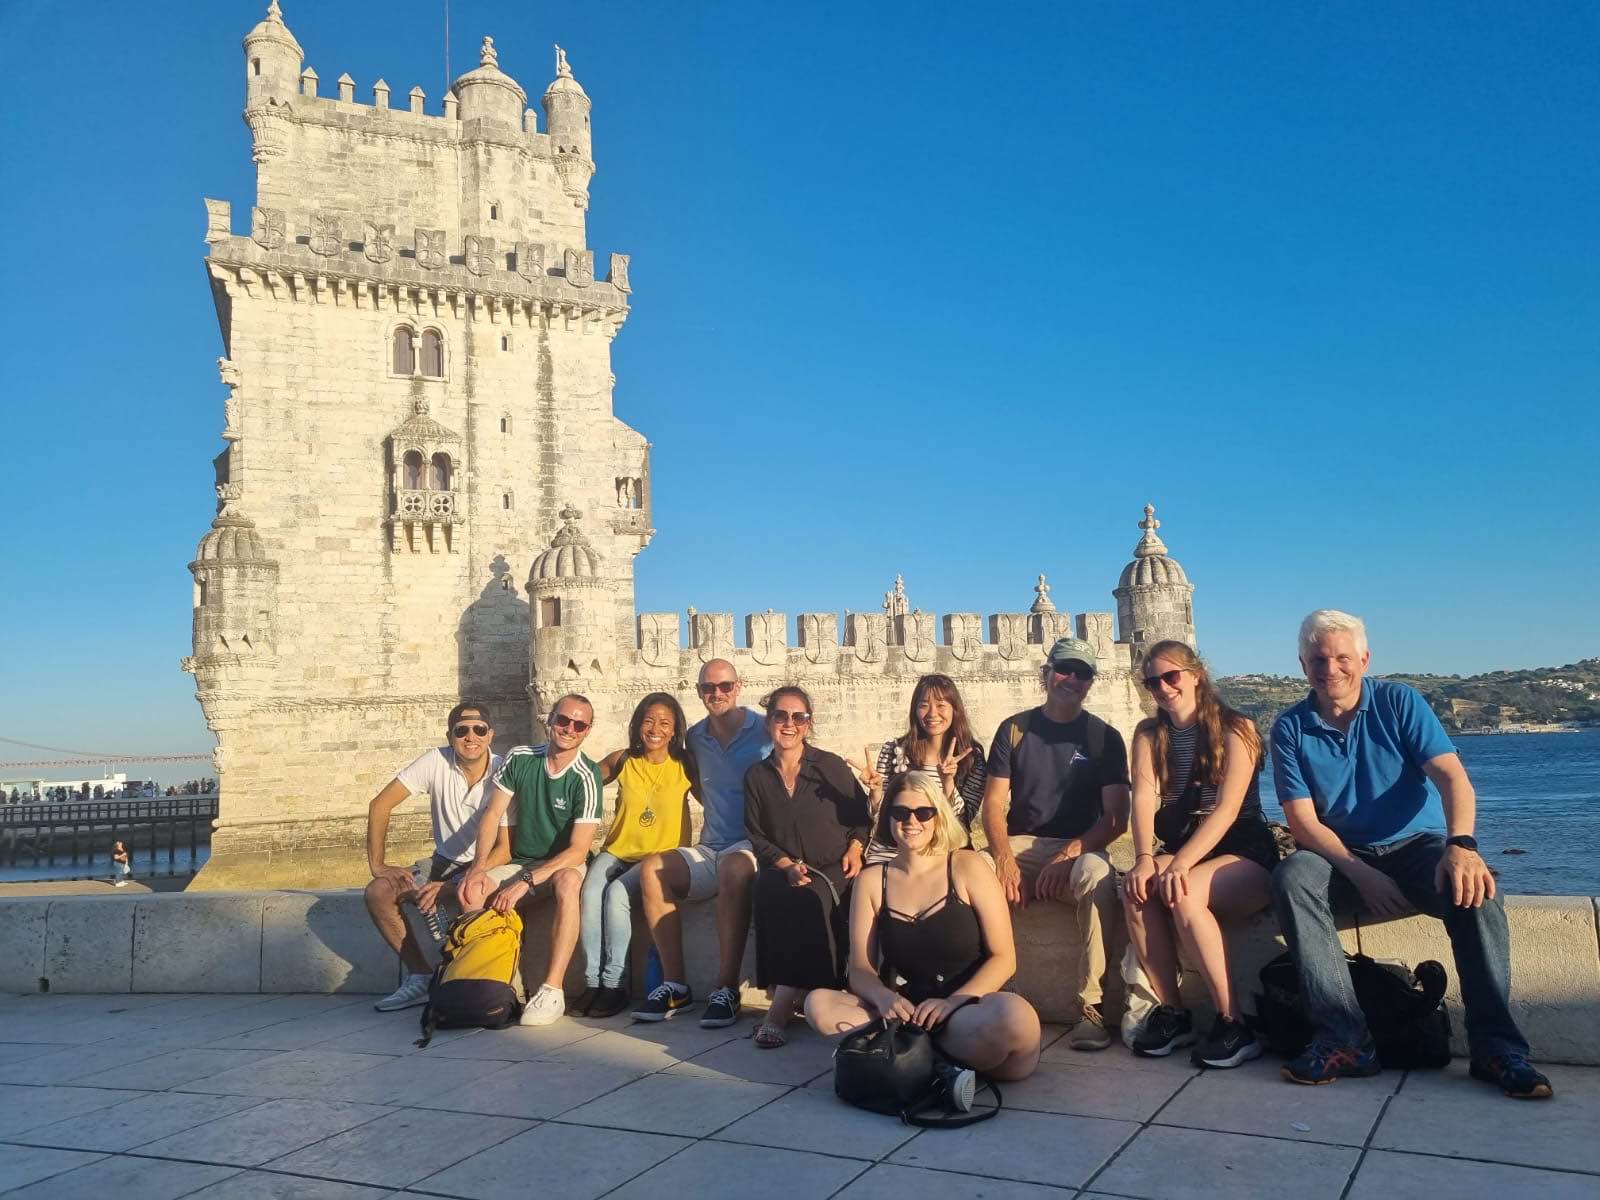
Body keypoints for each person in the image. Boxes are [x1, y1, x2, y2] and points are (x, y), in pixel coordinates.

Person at [1271, 610, 1552, 1098]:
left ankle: (1496, 1048)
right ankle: (1344, 1039)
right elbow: (1302, 823)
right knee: (1293, 876)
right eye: (1318, 660)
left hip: (1416, 847)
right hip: (1343, 855)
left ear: (1364, 659)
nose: (1331, 669)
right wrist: (1361, 873)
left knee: (1479, 895)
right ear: (1302, 665)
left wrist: (1461, 845)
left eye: (1342, 657)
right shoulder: (1291, 727)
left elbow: (1451, 777)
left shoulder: (1399, 701)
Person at [805, 773, 1042, 1082]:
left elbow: (1004, 958)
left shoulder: (967, 866)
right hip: (912, 1013)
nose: (911, 821)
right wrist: (884, 998)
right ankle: (935, 1066)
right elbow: (861, 969)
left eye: (923, 812)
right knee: (818, 1004)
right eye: (900, 812)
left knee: (1015, 1019)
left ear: (938, 816)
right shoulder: (873, 880)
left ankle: (908, 1060)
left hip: (973, 1007)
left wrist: (954, 1002)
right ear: (888, 817)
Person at [1122, 641, 1279, 1067]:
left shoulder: (1237, 728)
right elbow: (1143, 799)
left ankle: (1234, 1023)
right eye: (1152, 682)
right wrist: (1143, 857)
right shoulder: (1148, 735)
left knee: (1185, 892)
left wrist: (1180, 864)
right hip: (1183, 847)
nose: (1163, 688)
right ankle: (1173, 1012)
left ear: (1196, 675)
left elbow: (1227, 810)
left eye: (1171, 676)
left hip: (1243, 849)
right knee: (1135, 891)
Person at [980, 635, 1130, 1051]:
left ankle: (1091, 1006)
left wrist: (1070, 852)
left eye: (1082, 673)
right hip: (1021, 846)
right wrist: (1003, 858)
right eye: (1064, 670)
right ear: (1046, 673)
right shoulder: (1015, 729)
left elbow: (1116, 818)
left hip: (1078, 847)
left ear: (1091, 682)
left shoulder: (1104, 738)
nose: (1072, 679)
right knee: (971, 870)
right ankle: (977, 991)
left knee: (1097, 875)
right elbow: (993, 805)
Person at [633, 658, 769, 1027]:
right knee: (653, 869)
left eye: (725, 686)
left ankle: (726, 989)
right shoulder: (695, 737)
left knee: (734, 868)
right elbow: (693, 782)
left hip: (752, 846)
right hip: (711, 846)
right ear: (698, 692)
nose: (717, 693)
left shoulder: (765, 729)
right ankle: (675, 985)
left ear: (738, 687)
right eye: (708, 687)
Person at [458, 694, 603, 1028]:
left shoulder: (586, 775)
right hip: (523, 860)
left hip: (562, 863)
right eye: (563, 720)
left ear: (587, 731)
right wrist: (478, 867)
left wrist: (525, 882)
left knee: (568, 881)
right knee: (471, 890)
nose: (569, 729)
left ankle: (552, 989)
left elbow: (578, 850)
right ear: (549, 720)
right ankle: (493, 985)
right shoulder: (520, 757)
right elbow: (492, 813)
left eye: (579, 725)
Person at [744, 685, 871, 1048]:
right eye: (781, 716)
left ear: (808, 724)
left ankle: (779, 1008)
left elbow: (860, 818)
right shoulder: (757, 776)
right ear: (769, 722)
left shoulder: (829, 766)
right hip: (784, 866)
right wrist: (785, 865)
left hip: (833, 867)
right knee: (767, 888)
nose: (790, 724)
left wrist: (856, 847)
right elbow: (755, 833)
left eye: (798, 717)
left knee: (809, 896)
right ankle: (793, 992)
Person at [365, 703, 507, 1012]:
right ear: (450, 736)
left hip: (487, 865)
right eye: (462, 730)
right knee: (379, 892)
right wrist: (377, 865)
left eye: (479, 729)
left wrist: (454, 884)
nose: (471, 737)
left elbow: (506, 849)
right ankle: (420, 976)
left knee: (471, 892)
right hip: (442, 862)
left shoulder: (504, 770)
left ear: (490, 735)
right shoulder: (435, 761)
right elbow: (380, 805)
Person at [573, 693, 698, 1020]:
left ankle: (614, 985)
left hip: (658, 857)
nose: (655, 729)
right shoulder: (623, 760)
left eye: (665, 723)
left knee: (616, 894)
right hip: (618, 851)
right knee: (590, 891)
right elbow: (581, 779)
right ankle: (593, 982)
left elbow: (716, 798)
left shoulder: (685, 764)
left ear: (675, 730)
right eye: (648, 720)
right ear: (637, 724)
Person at [859, 673, 987, 863]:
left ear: (955, 709)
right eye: (924, 705)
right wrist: (876, 791)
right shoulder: (894, 751)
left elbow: (963, 822)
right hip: (891, 852)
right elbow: (881, 818)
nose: (932, 714)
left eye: (941, 705)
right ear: (915, 710)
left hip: (941, 852)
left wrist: (948, 782)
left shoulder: (971, 758)